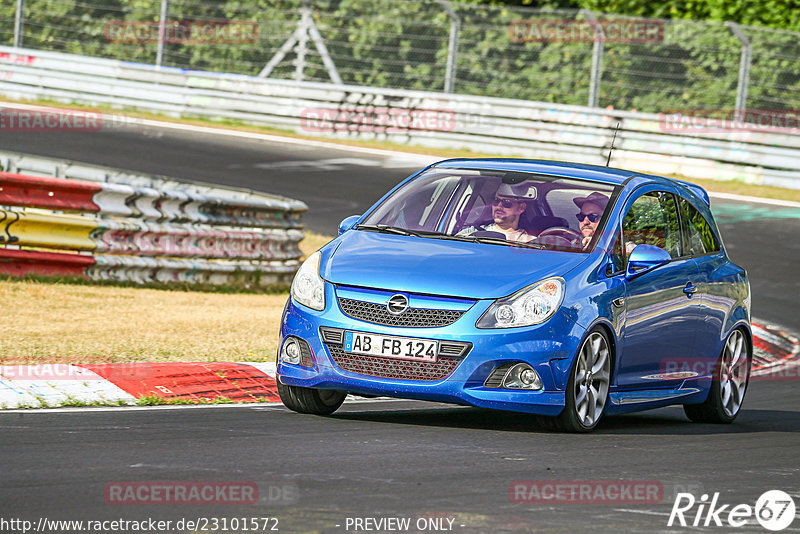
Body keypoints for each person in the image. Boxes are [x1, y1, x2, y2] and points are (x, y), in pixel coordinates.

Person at [459, 183, 537, 243]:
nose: (499, 206)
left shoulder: (530, 242)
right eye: (496, 201)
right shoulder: (473, 231)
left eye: (506, 203)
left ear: (521, 208)